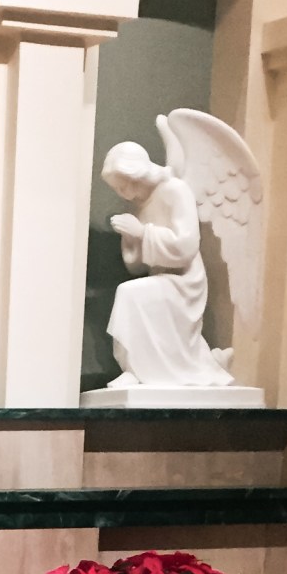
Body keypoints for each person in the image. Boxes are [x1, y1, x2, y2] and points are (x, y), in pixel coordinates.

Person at [100, 138, 234, 389]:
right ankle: (136, 369)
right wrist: (131, 238)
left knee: (128, 293)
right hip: (161, 279)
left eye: (122, 185)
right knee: (132, 293)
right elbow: (136, 268)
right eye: (117, 188)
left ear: (135, 173)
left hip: (186, 282)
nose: (122, 193)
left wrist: (142, 233)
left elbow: (186, 246)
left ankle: (135, 369)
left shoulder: (175, 190)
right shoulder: (138, 205)